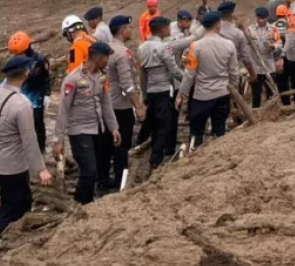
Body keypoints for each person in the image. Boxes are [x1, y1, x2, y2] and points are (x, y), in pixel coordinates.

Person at [0, 56, 52, 238]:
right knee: (13, 206)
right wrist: (41, 169)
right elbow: (29, 140)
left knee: (16, 200)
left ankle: (10, 237)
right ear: (26, 73)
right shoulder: (22, 104)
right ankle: (0, 239)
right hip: (14, 165)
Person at [53, 42, 119, 205]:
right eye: (105, 58)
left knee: (95, 170)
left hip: (98, 130)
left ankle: (88, 200)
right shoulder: (73, 79)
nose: (107, 62)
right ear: (96, 58)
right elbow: (63, 110)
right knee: (89, 171)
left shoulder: (102, 76)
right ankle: (80, 204)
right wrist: (58, 140)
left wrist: (114, 128)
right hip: (79, 131)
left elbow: (106, 103)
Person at [178, 12, 238, 148]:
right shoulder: (229, 45)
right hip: (222, 93)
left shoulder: (196, 46)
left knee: (197, 131)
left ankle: (195, 154)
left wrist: (181, 94)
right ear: (218, 25)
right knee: (220, 129)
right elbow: (234, 72)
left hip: (202, 96)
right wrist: (233, 89)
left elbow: (189, 73)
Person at [101, 16, 144, 191]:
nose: (130, 30)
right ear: (122, 30)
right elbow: (127, 85)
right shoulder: (122, 53)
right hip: (120, 105)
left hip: (105, 104)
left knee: (105, 143)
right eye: (128, 27)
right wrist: (138, 107)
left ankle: (103, 179)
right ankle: (120, 180)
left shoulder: (106, 49)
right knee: (122, 145)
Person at [139, 16, 184, 168]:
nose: (170, 29)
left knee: (155, 123)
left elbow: (142, 74)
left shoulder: (143, 47)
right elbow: (174, 70)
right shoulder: (163, 48)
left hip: (151, 91)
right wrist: (188, 79)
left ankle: (145, 147)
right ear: (163, 29)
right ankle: (156, 160)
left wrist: (144, 94)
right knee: (164, 126)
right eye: (168, 27)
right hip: (164, 90)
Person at [7, 32, 51, 154]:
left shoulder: (40, 60)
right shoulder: (15, 61)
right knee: (20, 123)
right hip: (20, 96)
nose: (17, 56)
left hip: (36, 97)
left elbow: (46, 78)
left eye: (19, 53)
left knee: (37, 124)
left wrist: (47, 94)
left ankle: (40, 148)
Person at [216, 2, 258, 86]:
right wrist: (252, 74)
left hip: (214, 72)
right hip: (232, 72)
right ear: (232, 15)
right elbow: (245, 57)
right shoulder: (238, 33)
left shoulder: (213, 30)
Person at [246, 8, 281, 109]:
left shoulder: (273, 29)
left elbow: (279, 43)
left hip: (269, 65)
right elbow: (244, 44)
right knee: (256, 94)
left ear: (267, 18)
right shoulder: (250, 30)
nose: (260, 20)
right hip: (255, 67)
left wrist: (273, 46)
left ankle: (271, 113)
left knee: (271, 93)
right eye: (259, 18)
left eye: (263, 18)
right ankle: (255, 113)